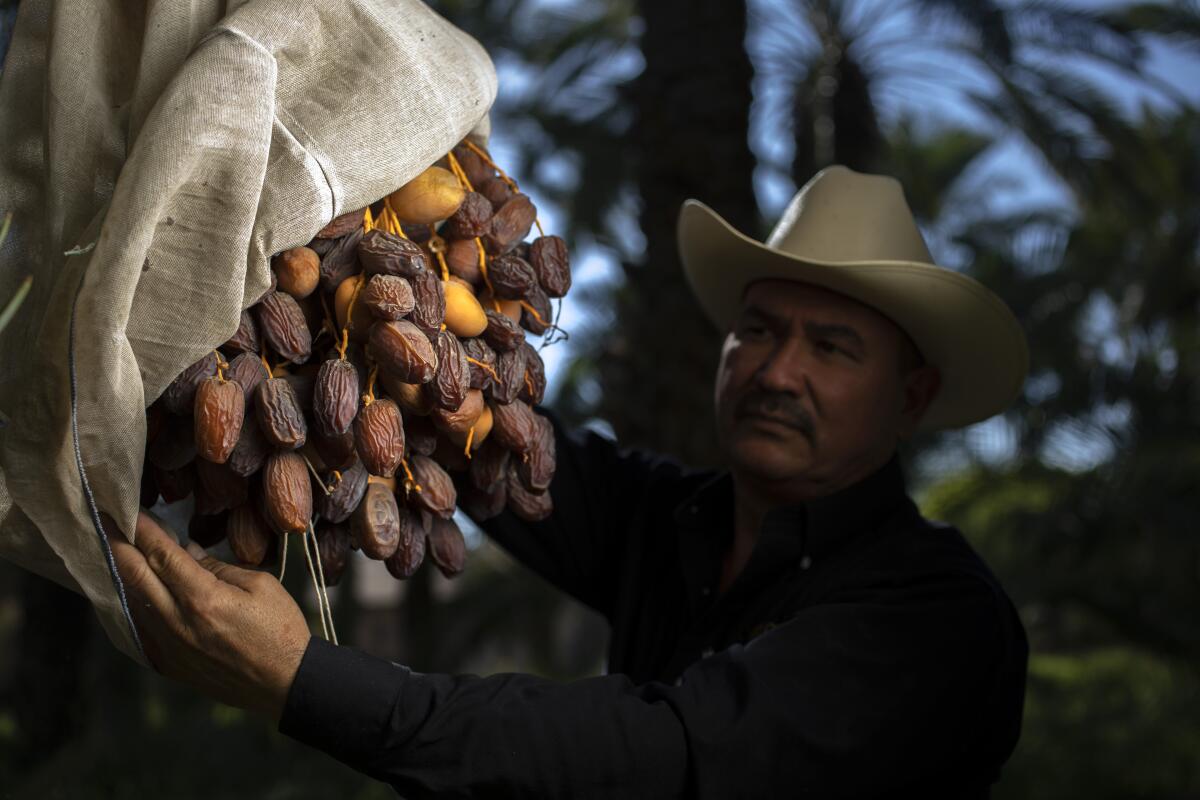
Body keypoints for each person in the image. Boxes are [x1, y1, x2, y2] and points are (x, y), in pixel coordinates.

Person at [112, 165, 1030, 798]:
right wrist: (329, 287)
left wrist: (305, 681)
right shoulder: (676, 519)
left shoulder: (940, 620)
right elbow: (477, 432)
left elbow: (662, 759)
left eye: (831, 347)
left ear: (912, 396)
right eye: (756, 330)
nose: (775, 371)